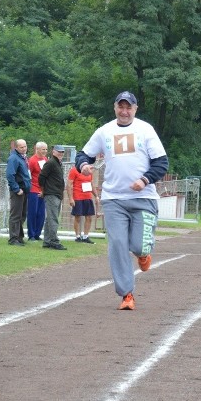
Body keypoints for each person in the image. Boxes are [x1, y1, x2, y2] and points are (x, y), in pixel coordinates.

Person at [74, 91, 169, 311]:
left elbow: (161, 162)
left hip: (143, 198)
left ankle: (143, 253)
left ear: (135, 109)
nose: (124, 111)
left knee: (138, 245)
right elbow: (83, 154)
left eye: (129, 107)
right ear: (115, 107)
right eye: (121, 107)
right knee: (117, 245)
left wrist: (145, 180)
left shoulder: (146, 130)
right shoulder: (104, 131)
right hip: (114, 199)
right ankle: (126, 294)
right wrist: (84, 165)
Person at [38, 144, 67, 250]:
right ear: (53, 152)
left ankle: (47, 241)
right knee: (53, 218)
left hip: (56, 194)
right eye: (59, 151)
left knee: (49, 219)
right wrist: (43, 190)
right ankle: (54, 241)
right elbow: (41, 177)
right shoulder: (50, 163)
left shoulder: (57, 163)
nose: (61, 154)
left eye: (62, 152)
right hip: (52, 194)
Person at [6, 139, 30, 246]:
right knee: (15, 214)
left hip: (24, 189)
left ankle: (19, 237)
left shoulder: (23, 157)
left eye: (25, 146)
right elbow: (10, 175)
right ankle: (13, 238)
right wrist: (16, 189)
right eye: (21, 147)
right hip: (18, 190)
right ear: (16, 147)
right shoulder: (13, 158)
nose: (24, 149)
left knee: (22, 214)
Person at [67, 162, 97, 244]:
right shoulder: (74, 170)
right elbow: (69, 184)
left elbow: (91, 184)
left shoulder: (90, 172)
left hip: (88, 196)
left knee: (89, 217)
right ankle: (77, 236)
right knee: (78, 217)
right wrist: (71, 198)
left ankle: (85, 236)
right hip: (78, 197)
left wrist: (96, 196)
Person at [26, 141, 48, 241]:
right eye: (43, 149)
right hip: (33, 189)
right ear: (38, 149)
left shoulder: (45, 159)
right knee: (32, 213)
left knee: (41, 213)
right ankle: (31, 234)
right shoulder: (32, 160)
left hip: (42, 190)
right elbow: (28, 175)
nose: (45, 151)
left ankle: (38, 234)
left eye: (46, 149)